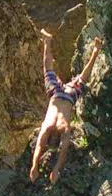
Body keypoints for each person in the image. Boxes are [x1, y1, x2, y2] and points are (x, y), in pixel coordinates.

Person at [28, 31, 102, 184]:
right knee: (47, 69)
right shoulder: (48, 127)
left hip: (68, 97)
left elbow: (60, 151)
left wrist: (50, 169)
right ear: (50, 138)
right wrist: (36, 167)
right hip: (56, 95)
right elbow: (40, 148)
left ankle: (95, 52)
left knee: (82, 78)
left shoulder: (63, 129)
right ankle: (47, 42)